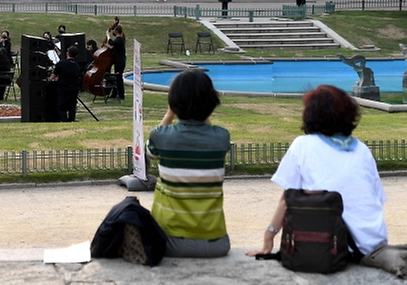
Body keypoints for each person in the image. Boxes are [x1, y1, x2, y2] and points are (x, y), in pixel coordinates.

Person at [246, 85, 387, 260]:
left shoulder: (303, 145)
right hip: (373, 245)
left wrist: (269, 236)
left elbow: (287, 199)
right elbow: (376, 199)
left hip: (333, 247)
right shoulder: (362, 149)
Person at [147, 70, 231, 258]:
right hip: (215, 242)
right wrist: (203, 111)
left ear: (173, 102)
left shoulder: (161, 135)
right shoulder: (221, 137)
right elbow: (206, 129)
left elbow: (150, 153)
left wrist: (170, 113)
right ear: (212, 102)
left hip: (169, 241)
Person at [50, 46, 82, 122]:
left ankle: (64, 120)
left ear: (67, 54)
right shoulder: (77, 66)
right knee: (72, 106)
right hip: (74, 89)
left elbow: (54, 75)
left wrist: (50, 79)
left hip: (63, 88)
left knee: (61, 106)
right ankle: (71, 119)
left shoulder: (61, 63)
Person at [106, 24, 127, 97]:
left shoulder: (119, 40)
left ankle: (121, 94)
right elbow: (114, 49)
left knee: (118, 77)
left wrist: (108, 35)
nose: (113, 32)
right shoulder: (118, 41)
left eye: (114, 30)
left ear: (117, 31)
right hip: (118, 61)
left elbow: (111, 42)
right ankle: (114, 93)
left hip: (120, 62)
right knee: (116, 77)